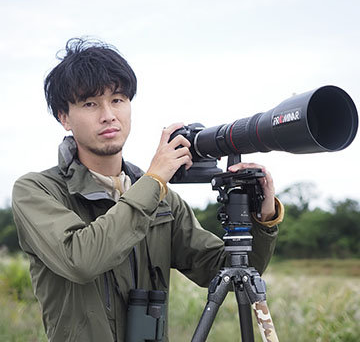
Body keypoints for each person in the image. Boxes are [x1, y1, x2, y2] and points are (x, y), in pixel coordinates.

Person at [12, 38, 284, 342]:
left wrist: (263, 217)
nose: (108, 115)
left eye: (118, 99)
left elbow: (229, 273)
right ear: (64, 117)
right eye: (90, 103)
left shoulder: (164, 201)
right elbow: (81, 259)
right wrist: (154, 181)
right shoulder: (37, 191)